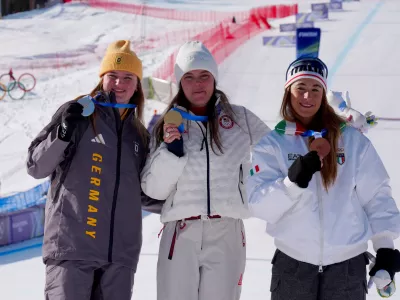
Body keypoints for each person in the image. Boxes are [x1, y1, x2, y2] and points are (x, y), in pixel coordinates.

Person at [246, 56, 400, 300]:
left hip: (347, 269)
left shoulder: (351, 140)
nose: (307, 97)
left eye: (315, 89)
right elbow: (258, 205)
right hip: (293, 267)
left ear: (324, 93)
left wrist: (385, 248)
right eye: (301, 88)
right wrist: (292, 183)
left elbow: (377, 195)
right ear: (288, 92)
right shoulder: (272, 145)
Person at [26, 40, 159, 300]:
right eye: (113, 76)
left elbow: (143, 193)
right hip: (72, 250)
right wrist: (63, 134)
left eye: (127, 77)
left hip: (119, 259)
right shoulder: (78, 114)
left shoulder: (139, 135)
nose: (119, 84)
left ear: (137, 85)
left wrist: (190, 205)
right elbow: (36, 165)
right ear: (102, 78)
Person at [140, 40, 270, 300]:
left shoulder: (239, 118)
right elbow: (152, 189)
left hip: (227, 232)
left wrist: (252, 185)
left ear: (214, 79)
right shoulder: (168, 123)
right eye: (189, 77)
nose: (198, 83)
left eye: (204, 76)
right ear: (180, 82)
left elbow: (278, 151)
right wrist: (172, 152)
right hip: (181, 233)